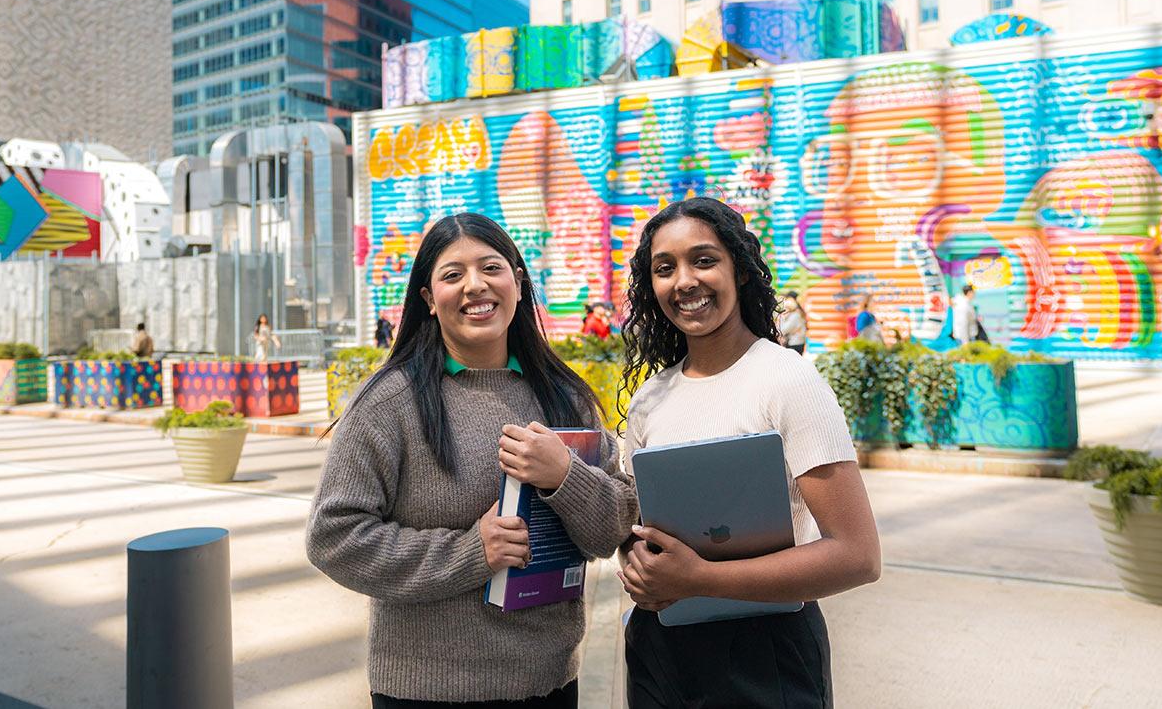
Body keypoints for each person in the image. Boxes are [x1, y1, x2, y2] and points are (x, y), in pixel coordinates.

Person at [307, 212, 638, 708]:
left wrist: (566, 477)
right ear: (429, 300)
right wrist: (471, 553)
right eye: (452, 275)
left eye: (491, 268)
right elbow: (333, 538)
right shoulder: (389, 402)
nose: (475, 286)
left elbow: (614, 528)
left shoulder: (564, 396)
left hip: (550, 683)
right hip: (426, 691)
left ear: (519, 284)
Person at [616, 197, 881, 708]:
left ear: (738, 271)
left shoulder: (786, 379)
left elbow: (858, 555)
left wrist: (703, 579)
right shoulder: (651, 398)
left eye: (704, 260)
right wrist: (635, 564)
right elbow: (640, 527)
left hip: (767, 656)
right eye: (665, 268)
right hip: (661, 649)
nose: (685, 280)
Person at [778, 290, 809, 355]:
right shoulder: (799, 313)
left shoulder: (795, 315)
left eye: (786, 300)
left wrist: (781, 317)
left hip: (794, 344)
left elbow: (783, 330)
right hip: (798, 343)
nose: (785, 303)